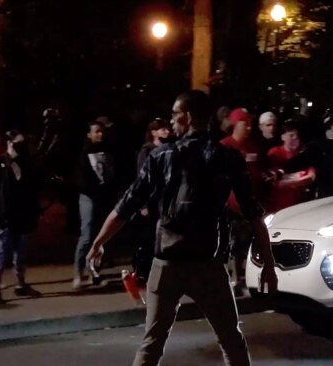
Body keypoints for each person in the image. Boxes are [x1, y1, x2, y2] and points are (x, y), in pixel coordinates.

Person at [86, 90, 277, 366]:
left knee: (152, 343)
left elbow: (127, 204)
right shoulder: (227, 157)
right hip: (207, 264)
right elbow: (254, 214)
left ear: (186, 117)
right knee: (231, 342)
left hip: (167, 263)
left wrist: (99, 242)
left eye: (175, 115)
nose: (172, 121)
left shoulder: (162, 157)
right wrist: (268, 265)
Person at [0, 131, 42, 304]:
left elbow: (32, 190)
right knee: (0, 253)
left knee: (20, 253)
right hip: (4, 217)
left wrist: (34, 212)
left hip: (22, 216)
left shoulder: (26, 163)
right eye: (16, 142)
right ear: (9, 143)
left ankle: (20, 283)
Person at [220, 108, 267, 296]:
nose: (248, 126)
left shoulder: (253, 146)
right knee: (233, 243)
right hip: (230, 206)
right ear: (234, 124)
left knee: (248, 242)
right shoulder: (224, 146)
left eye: (250, 123)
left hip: (250, 204)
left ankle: (246, 278)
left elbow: (258, 171)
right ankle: (234, 279)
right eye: (244, 123)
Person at [72, 120, 117, 289]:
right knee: (87, 235)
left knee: (101, 236)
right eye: (96, 131)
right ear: (89, 134)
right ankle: (78, 273)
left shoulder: (109, 151)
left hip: (104, 198)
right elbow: (81, 179)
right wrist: (95, 190)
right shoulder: (84, 154)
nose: (100, 134)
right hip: (89, 197)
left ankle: (94, 272)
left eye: (102, 131)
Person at [131, 118, 171, 284]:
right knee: (148, 238)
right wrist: (144, 204)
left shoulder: (170, 148)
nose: (166, 131)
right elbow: (142, 178)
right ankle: (141, 271)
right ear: (154, 132)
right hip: (151, 200)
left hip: (165, 199)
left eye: (167, 128)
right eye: (162, 129)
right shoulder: (147, 151)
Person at [265, 120, 315, 212]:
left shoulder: (304, 154)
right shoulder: (275, 153)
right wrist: (298, 182)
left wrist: (290, 182)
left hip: (300, 205)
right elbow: (273, 180)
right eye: (291, 135)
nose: (295, 138)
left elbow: (311, 177)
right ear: (283, 137)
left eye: (297, 135)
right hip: (278, 206)